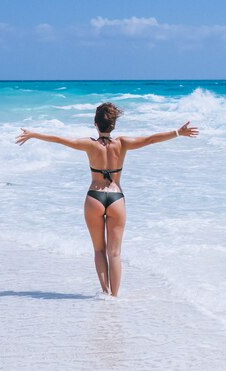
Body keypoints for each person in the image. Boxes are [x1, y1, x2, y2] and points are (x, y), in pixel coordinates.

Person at [15, 102, 198, 297]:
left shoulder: (89, 144)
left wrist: (34, 134)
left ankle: (104, 292)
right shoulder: (122, 143)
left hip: (94, 197)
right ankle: (114, 297)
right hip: (116, 198)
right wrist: (178, 132)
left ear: (95, 124)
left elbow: (61, 140)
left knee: (99, 250)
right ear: (113, 125)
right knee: (115, 253)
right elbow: (151, 139)